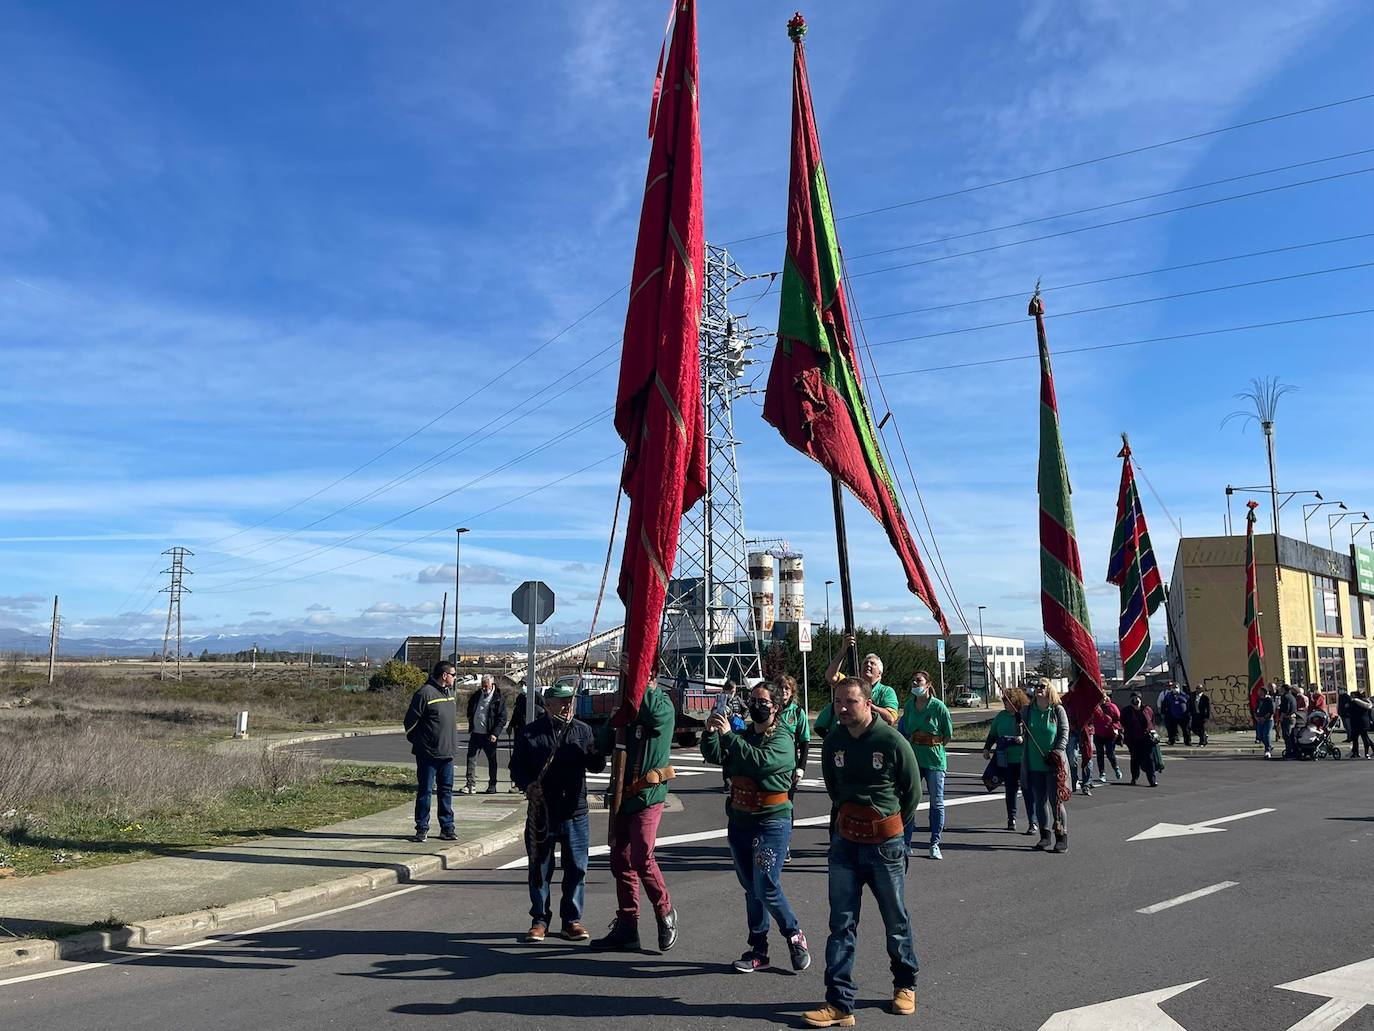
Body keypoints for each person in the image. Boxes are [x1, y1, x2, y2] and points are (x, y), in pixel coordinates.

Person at [802, 677, 921, 1028]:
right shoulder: (834, 740)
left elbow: (912, 793)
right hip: (845, 843)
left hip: (885, 845)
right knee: (841, 923)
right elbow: (832, 785)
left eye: (850, 702)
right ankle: (839, 1003)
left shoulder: (891, 740)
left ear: (868, 704)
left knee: (895, 919)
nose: (841, 708)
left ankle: (905, 984)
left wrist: (888, 824)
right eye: (838, 701)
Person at [702, 680, 811, 974]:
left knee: (766, 884)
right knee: (751, 888)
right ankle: (758, 949)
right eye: (753, 700)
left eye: (763, 702)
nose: (756, 706)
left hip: (771, 820)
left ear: (775, 708)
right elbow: (716, 755)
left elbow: (760, 763)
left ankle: (794, 934)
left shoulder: (783, 739)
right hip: (740, 819)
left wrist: (729, 738)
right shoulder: (743, 734)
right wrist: (711, 732)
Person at [509, 682, 605, 943]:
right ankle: (539, 919)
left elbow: (597, 766)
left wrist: (600, 746)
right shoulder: (531, 733)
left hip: (576, 811)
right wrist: (528, 786)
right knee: (540, 869)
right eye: (562, 701)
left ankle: (571, 920)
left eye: (570, 701)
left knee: (577, 868)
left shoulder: (583, 731)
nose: (567, 705)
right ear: (548, 705)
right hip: (543, 812)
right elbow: (516, 767)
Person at [592, 682, 679, 953]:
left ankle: (665, 912)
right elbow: (603, 745)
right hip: (622, 797)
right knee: (620, 860)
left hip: (647, 795)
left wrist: (641, 687)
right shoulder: (626, 706)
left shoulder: (662, 705)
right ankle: (628, 926)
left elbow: (654, 714)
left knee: (642, 857)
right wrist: (615, 717)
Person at [402, 661, 459, 843]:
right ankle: (422, 828)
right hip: (428, 755)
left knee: (446, 791)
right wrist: (422, 743)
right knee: (425, 791)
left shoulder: (449, 694)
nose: (454, 677)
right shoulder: (424, 693)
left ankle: (447, 827)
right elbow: (410, 723)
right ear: (444, 675)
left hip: (447, 754)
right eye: (453, 674)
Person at [897, 671, 952, 860]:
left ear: (928, 684)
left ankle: (935, 842)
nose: (915, 683)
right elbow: (903, 730)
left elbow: (947, 734)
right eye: (913, 680)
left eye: (918, 680)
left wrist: (933, 742)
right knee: (910, 800)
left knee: (936, 802)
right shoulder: (909, 706)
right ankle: (906, 842)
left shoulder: (938, 707)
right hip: (914, 757)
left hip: (934, 759)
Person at [1021, 681, 1070, 853]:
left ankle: (1061, 836)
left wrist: (1057, 751)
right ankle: (1045, 836)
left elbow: (1064, 733)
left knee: (1056, 802)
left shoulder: (1057, 710)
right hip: (1034, 765)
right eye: (1037, 686)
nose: (1039, 688)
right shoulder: (1028, 711)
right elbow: (1020, 731)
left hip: (1054, 765)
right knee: (1039, 802)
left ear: (1050, 690)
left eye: (1043, 685)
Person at [983, 687, 1034, 833]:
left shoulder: (1024, 714)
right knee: (1010, 790)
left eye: (1008, 701)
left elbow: (1032, 734)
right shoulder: (1001, 716)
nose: (1005, 704)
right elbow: (993, 734)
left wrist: (1022, 738)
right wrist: (987, 748)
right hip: (1006, 760)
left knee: (1027, 790)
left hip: (1023, 759)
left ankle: (1033, 821)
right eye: (1004, 701)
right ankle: (1011, 818)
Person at [776, 674, 812, 864]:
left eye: (787, 689)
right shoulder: (770, 710)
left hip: (789, 768)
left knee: (786, 806)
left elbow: (805, 742)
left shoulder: (797, 713)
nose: (783, 692)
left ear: (792, 692)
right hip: (770, 767)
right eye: (780, 688)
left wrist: (801, 769)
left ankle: (785, 844)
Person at [825, 635, 900, 725]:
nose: (868, 664)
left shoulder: (886, 691)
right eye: (865, 663)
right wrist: (843, 651)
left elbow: (890, 718)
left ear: (879, 673)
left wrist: (866, 706)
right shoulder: (851, 685)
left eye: (872, 663)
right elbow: (830, 676)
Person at [461, 674, 507, 795]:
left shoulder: (498, 698)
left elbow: (502, 719)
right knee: (471, 759)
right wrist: (471, 718)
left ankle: (492, 785)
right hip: (476, 733)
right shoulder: (477, 695)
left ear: (492, 685)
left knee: (492, 761)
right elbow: (470, 708)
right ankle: (470, 785)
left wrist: (495, 733)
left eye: (486, 686)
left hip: (489, 735)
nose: (484, 689)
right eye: (482, 686)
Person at [713, 680, 748, 790]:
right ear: (726, 690)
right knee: (726, 756)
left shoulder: (737, 699)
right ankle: (727, 781)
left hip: (737, 731)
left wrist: (741, 716)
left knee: (738, 755)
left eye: (734, 691)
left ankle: (737, 780)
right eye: (731, 691)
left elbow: (746, 709)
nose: (732, 693)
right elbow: (715, 711)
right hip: (724, 730)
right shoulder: (721, 699)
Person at [1120, 691, 1159, 786]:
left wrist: (1153, 732)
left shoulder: (1147, 709)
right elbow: (1122, 723)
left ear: (1140, 699)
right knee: (1135, 760)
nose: (1135, 700)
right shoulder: (1126, 711)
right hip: (1133, 740)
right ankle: (1134, 777)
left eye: (1136, 698)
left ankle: (1152, 780)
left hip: (1147, 739)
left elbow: (1152, 722)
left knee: (1149, 759)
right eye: (1133, 699)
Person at [1092, 694, 1123, 782]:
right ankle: (1102, 773)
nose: (1102, 699)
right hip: (1098, 734)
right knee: (1100, 754)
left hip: (1110, 734)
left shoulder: (1112, 707)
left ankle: (1116, 768)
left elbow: (1118, 719)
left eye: (1103, 697)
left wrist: (1115, 727)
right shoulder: (1095, 707)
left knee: (1110, 753)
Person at [1347, 689, 1374, 759]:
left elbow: (1349, 711)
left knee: (1355, 738)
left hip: (1355, 722)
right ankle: (1366, 753)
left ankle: (1355, 753)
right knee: (1365, 738)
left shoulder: (1353, 702)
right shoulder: (1366, 702)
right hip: (1364, 722)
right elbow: (1369, 711)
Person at [1254, 685, 1276, 759]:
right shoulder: (1259, 700)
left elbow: (1271, 711)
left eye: (1260, 691)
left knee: (1266, 735)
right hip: (1259, 720)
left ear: (1264, 692)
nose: (1258, 692)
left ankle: (1267, 751)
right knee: (1260, 736)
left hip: (1268, 720)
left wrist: (1264, 718)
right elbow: (1256, 709)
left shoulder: (1269, 700)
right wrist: (1256, 717)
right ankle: (1269, 746)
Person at [1278, 683, 1298, 758]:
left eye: (1281, 688)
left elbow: (1285, 708)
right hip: (1293, 717)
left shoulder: (1285, 697)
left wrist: (1282, 716)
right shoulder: (1292, 696)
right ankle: (1294, 750)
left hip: (1287, 718)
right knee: (1291, 735)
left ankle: (1289, 752)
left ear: (1284, 689)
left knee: (1287, 735)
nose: (1280, 689)